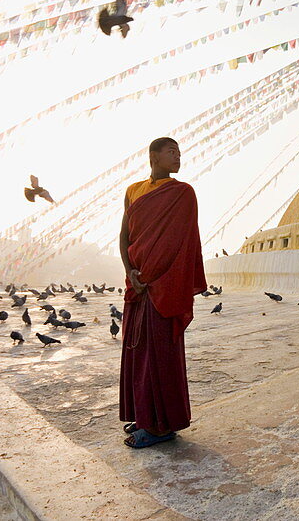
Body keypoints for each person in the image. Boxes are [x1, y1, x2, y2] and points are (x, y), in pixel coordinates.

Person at [118, 137, 207, 448]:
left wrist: (155, 278)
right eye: (172, 152)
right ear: (153, 156)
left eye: (180, 153)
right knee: (137, 353)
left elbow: (182, 245)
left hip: (163, 288)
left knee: (161, 357)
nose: (178, 158)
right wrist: (131, 272)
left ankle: (161, 427)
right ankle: (145, 416)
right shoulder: (133, 191)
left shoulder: (182, 193)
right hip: (138, 286)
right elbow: (125, 235)